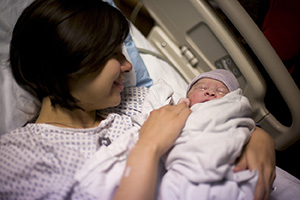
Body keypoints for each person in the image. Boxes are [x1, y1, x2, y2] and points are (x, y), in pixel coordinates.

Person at [0, 0, 276, 200]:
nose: (129, 65)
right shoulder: (18, 157)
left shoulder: (134, 100)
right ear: (68, 67)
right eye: (114, 54)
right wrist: (149, 146)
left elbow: (208, 119)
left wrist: (257, 137)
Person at [154, 69, 257, 199]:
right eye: (202, 88)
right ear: (188, 96)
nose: (210, 92)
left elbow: (243, 125)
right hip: (185, 163)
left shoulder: (232, 112)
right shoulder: (181, 109)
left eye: (221, 91)